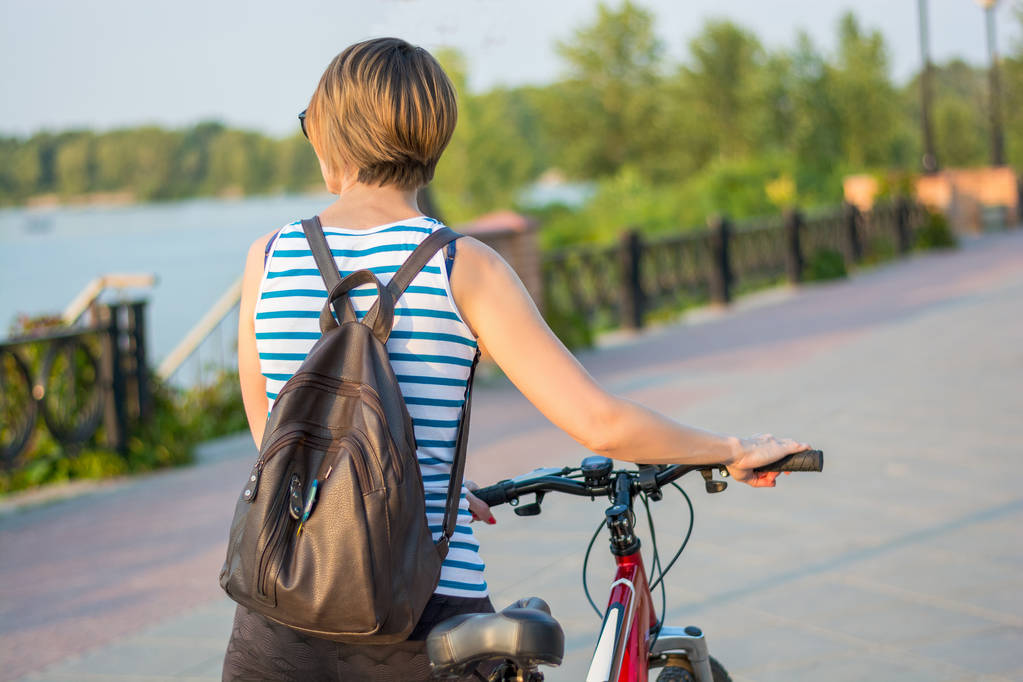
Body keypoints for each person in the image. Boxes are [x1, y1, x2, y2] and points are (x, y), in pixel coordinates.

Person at [223, 37, 811, 682]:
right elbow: (602, 425)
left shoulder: (267, 258)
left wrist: (399, 488)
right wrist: (731, 448)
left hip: (280, 609)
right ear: (433, 135)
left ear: (331, 131)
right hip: (421, 615)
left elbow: (279, 438)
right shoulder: (460, 266)